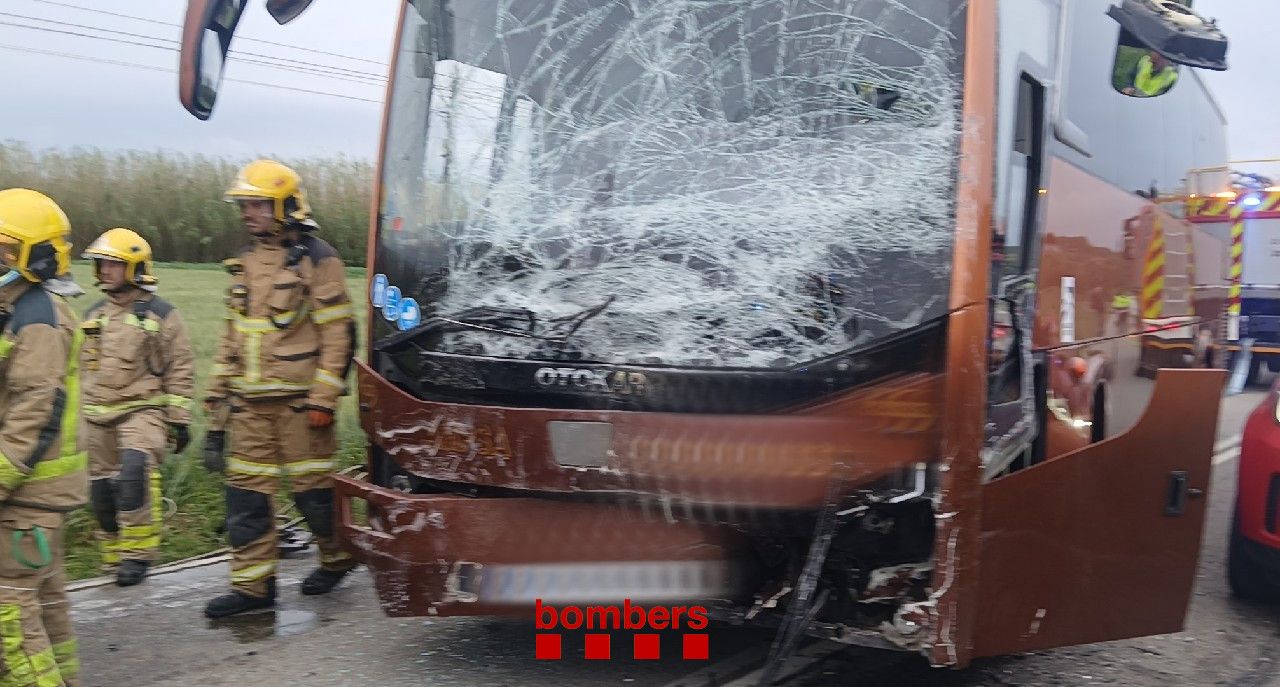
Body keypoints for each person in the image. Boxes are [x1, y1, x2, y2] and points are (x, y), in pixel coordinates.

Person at [203, 160, 357, 618]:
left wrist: (324, 399)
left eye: (257, 204)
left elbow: (339, 335)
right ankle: (253, 589)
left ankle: (337, 557)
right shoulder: (244, 263)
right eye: (244, 204)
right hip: (249, 409)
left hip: (300, 408)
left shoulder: (318, 258)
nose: (248, 212)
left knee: (314, 494)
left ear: (286, 206)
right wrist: (216, 410)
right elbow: (232, 339)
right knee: (245, 499)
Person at [0, 188, 87, 686]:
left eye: (7, 251)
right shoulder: (17, 307)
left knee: (8, 614)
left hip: (27, 493)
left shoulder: (37, 318)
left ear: (38, 256)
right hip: (40, 493)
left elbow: (34, 413)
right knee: (45, 600)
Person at [80, 228, 195, 586]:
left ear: (135, 268)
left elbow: (181, 366)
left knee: (133, 475)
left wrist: (178, 420)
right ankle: (112, 554)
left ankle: (138, 555)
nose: (105, 271)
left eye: (114, 264)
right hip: (96, 417)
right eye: (102, 264)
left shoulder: (161, 314)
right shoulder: (93, 314)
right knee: (101, 491)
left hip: (141, 411)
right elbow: (81, 369)